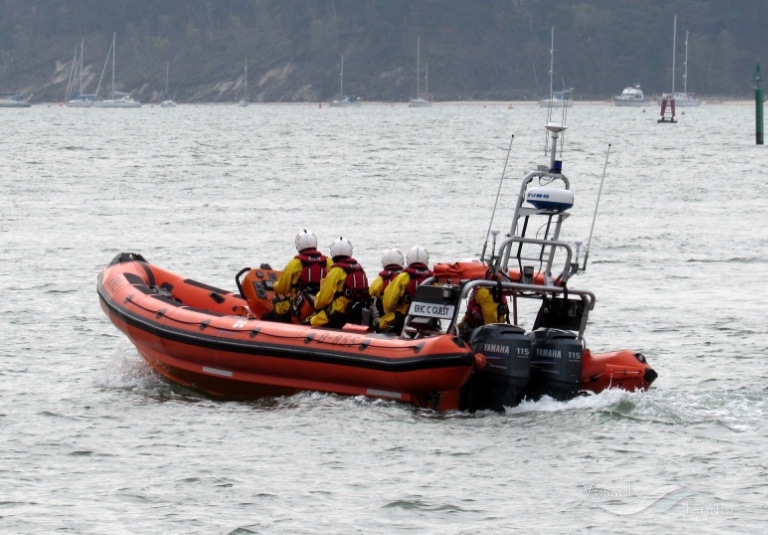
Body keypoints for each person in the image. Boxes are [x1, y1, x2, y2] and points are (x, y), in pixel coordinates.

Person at [263, 229, 332, 323]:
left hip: (297, 309)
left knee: (268, 316)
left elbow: (282, 288)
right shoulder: (328, 262)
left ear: (298, 246)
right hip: (322, 309)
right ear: (315, 243)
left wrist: (274, 285)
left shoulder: (295, 264)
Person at [309, 237, 369, 328]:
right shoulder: (359, 269)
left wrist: (315, 303)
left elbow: (323, 299)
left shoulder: (336, 271)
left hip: (338, 314)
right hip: (357, 313)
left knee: (311, 320)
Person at [379, 245, 433, 333]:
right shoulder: (433, 279)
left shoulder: (402, 277)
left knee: (379, 325)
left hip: (403, 321)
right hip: (430, 321)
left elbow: (388, 303)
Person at [459, 269, 510, 334]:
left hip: (480, 331)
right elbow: (489, 317)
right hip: (483, 331)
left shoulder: (484, 292)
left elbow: (490, 318)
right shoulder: (486, 293)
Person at [369, 247, 404, 319]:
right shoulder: (405, 278)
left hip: (384, 320)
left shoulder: (378, 281)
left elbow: (370, 295)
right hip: (404, 318)